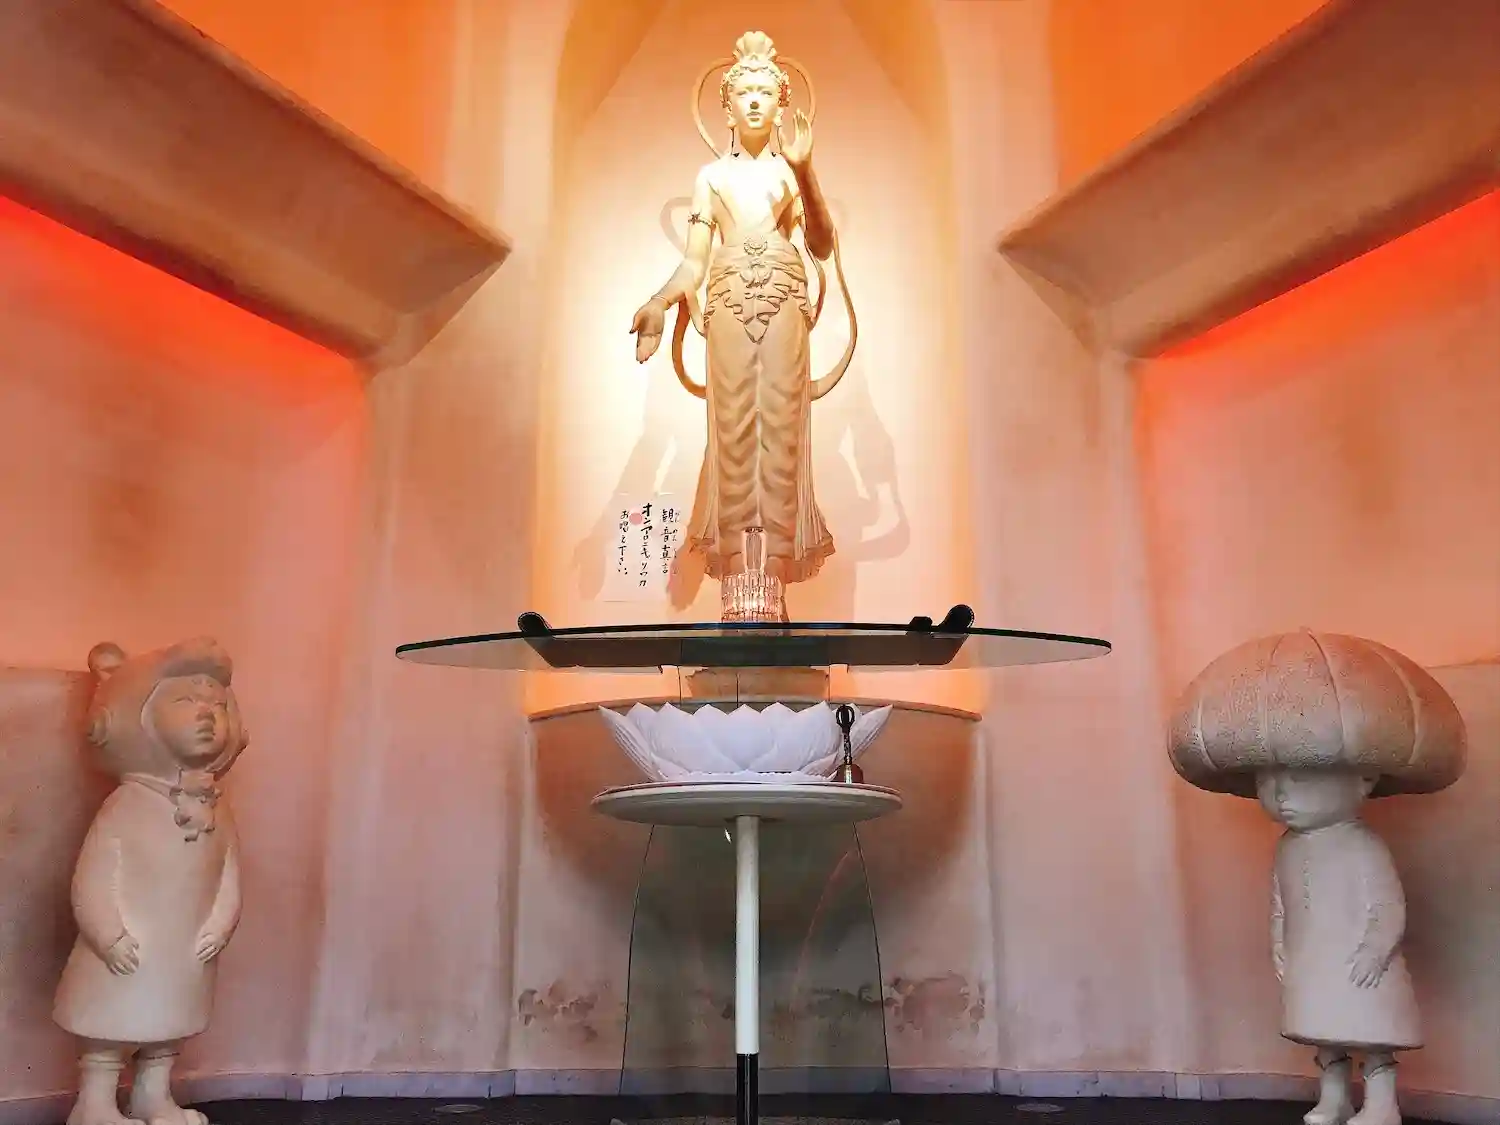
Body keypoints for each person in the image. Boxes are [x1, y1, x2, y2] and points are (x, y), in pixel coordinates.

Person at [629, 31, 842, 596]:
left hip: (783, 298)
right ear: (726, 107)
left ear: (781, 105)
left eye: (764, 92)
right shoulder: (711, 178)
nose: (753, 101)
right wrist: (659, 301)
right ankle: (737, 576)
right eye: (743, 91)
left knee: (782, 426)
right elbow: (693, 263)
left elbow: (821, 245)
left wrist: (806, 171)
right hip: (726, 301)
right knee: (732, 430)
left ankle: (774, 572)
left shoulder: (791, 174)